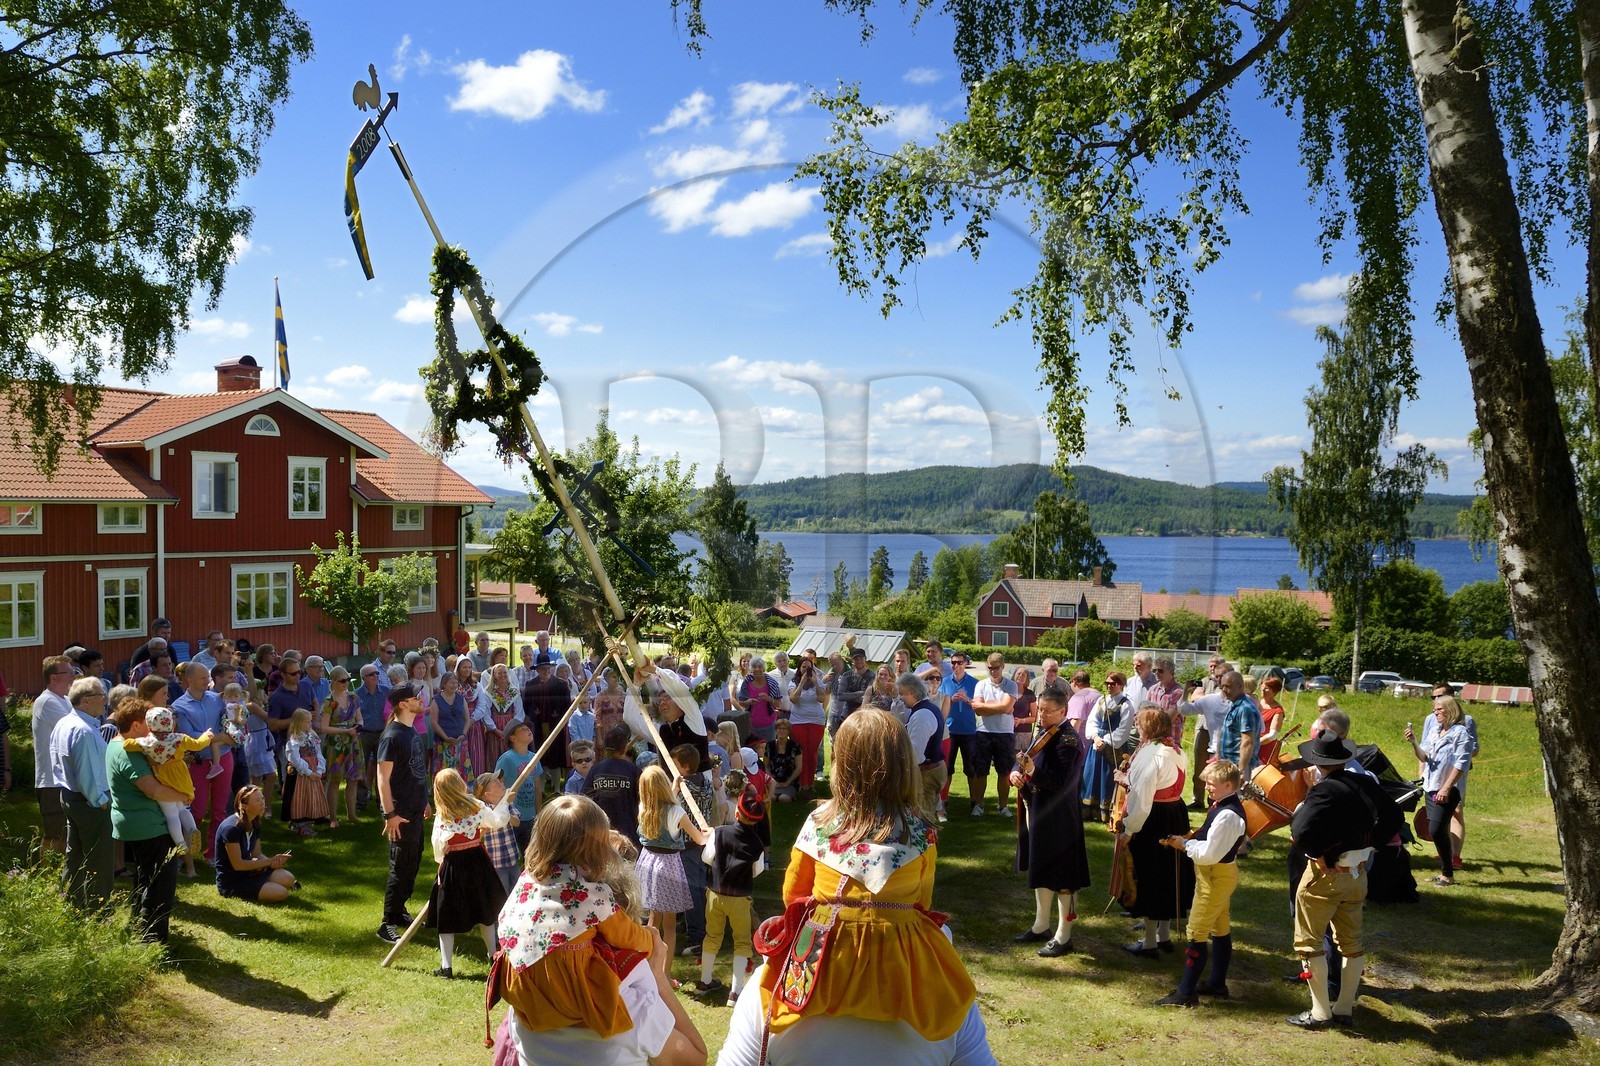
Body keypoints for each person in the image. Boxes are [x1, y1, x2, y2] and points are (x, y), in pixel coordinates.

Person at [748, 708, 985, 1060]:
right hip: (898, 958)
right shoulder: (921, 831)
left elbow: (793, 894)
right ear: (904, 763)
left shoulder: (819, 822)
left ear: (841, 764)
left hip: (825, 958)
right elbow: (920, 901)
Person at [494, 794, 707, 1066]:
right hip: (575, 989)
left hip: (527, 983)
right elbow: (625, 935)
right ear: (597, 851)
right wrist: (652, 946)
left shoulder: (526, 885)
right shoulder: (593, 897)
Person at [1285, 732, 1403, 1030]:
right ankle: (1344, 1007)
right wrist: (1369, 847)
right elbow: (1395, 816)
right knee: (1351, 943)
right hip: (1357, 874)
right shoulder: (1365, 783)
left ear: (1318, 763)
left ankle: (1320, 1011)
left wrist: (1322, 853)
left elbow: (1300, 830)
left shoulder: (1324, 791)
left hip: (1324, 876)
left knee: (1309, 943)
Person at [1157, 760, 1247, 1007]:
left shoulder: (1228, 815)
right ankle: (1217, 983)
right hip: (1215, 875)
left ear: (1228, 785)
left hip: (1216, 876)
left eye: (1211, 783)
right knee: (1219, 926)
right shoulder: (1222, 806)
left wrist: (1184, 845)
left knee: (1196, 930)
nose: (1206, 787)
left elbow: (1210, 854)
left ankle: (1185, 993)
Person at [1009, 688, 1089, 958]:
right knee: (1041, 867)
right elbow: (1025, 760)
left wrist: (1031, 771)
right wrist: (1016, 774)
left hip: (1060, 817)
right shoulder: (1044, 732)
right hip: (1039, 809)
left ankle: (1063, 935)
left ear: (1064, 712)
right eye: (1040, 710)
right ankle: (1041, 925)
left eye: (1048, 711)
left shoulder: (1069, 740)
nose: (1041, 715)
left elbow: (1059, 782)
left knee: (1063, 875)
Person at [105, 697, 187, 943]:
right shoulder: (127, 751)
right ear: (137, 725)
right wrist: (184, 795)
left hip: (136, 824)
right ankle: (152, 941)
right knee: (160, 884)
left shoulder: (117, 744)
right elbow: (153, 790)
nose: (155, 728)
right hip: (148, 827)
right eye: (150, 722)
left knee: (145, 877)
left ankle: (137, 927)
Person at [1116, 706, 1192, 957]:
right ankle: (1164, 936)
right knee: (1169, 874)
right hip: (1175, 814)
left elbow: (1142, 798)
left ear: (1147, 727)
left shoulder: (1151, 755)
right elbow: (1158, 785)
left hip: (1155, 819)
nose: (1136, 727)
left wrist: (1130, 829)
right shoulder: (1175, 750)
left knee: (1150, 875)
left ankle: (1149, 943)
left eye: (1138, 723)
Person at [426, 767, 511, 978]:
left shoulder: (443, 815)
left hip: (453, 865)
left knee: (448, 914)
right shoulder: (476, 806)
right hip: (476, 861)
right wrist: (505, 803)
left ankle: (447, 966)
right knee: (485, 910)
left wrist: (441, 863)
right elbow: (497, 821)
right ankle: (493, 955)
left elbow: (438, 846)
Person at [695, 783, 768, 1002]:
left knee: (713, 936)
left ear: (737, 811)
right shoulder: (757, 845)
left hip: (715, 895)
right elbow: (757, 871)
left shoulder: (719, 833)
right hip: (740, 899)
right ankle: (735, 992)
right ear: (758, 820)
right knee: (742, 942)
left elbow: (706, 858)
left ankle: (705, 981)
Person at [636, 763, 711, 964]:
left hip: (647, 863)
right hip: (668, 866)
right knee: (669, 925)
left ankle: (651, 967)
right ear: (663, 785)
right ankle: (665, 974)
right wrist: (711, 833)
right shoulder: (677, 812)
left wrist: (674, 789)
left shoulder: (644, 807)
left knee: (653, 920)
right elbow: (699, 839)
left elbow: (660, 805)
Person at [126, 705, 212, 875]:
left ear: (150, 725)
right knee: (182, 808)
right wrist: (207, 736)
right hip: (180, 777)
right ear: (171, 723)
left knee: (170, 814)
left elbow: (127, 745)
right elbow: (198, 745)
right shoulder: (180, 739)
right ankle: (192, 828)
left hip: (162, 779)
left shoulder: (147, 742)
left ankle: (180, 844)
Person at [376, 682, 431, 945]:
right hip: (400, 813)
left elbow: (417, 770)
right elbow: (382, 778)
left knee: (413, 860)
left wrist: (426, 800)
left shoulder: (411, 732)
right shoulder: (393, 736)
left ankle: (399, 912)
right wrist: (390, 815)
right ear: (403, 704)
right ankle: (387, 922)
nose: (420, 699)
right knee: (399, 866)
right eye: (415, 697)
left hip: (416, 807)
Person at [51, 676, 113, 908]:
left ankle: (72, 904)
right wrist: (101, 801)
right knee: (100, 858)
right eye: (100, 696)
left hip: (70, 797)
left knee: (75, 853)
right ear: (86, 701)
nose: (105, 700)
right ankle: (98, 911)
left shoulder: (65, 722)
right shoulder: (83, 730)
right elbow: (87, 773)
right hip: (90, 802)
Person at [1406, 694, 1473, 886]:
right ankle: (1446, 872)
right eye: (1434, 709)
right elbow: (1424, 757)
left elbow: (1462, 763)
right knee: (1437, 830)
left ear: (1450, 710)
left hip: (1447, 791)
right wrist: (1414, 742)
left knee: (1436, 830)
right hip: (1431, 786)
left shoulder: (1460, 733)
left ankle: (1448, 873)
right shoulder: (1436, 731)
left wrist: (1446, 787)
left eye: (1439, 709)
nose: (1435, 713)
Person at [214, 785, 297, 903]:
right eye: (257, 800)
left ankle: (264, 885)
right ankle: (264, 886)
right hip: (232, 881)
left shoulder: (255, 822)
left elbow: (257, 854)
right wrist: (269, 862)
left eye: (262, 799)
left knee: (289, 879)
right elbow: (238, 865)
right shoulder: (231, 828)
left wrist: (273, 863)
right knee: (281, 893)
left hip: (250, 872)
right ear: (244, 805)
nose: (262, 803)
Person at [1427, 681, 1478, 869]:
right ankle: (1445, 855)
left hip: (1454, 777)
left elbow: (1470, 751)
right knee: (1438, 823)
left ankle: (1454, 857)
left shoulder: (1465, 723)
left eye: (1439, 697)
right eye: (1434, 698)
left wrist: (1452, 763)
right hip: (1433, 777)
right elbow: (1427, 748)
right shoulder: (1432, 722)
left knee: (1455, 812)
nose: (1436, 702)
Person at [32, 655, 75, 854]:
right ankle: (47, 877)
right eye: (69, 672)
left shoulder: (65, 700)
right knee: (54, 833)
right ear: (54, 678)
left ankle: (60, 875)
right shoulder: (46, 701)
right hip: (50, 780)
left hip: (63, 778)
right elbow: (74, 727)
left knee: (65, 833)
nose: (74, 676)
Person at [970, 652, 1018, 818]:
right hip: (983, 732)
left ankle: (1003, 806)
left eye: (996, 668)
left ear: (1002, 666)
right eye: (990, 668)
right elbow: (977, 709)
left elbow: (1005, 708)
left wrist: (987, 706)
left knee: (1004, 772)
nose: (993, 671)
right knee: (980, 771)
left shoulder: (1011, 685)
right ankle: (978, 805)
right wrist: (1001, 707)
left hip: (1004, 733)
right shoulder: (981, 685)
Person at [1081, 672, 1130, 823]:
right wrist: (1095, 738)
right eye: (1106, 683)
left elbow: (1124, 729)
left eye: (1112, 684)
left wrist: (1106, 741)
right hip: (1097, 744)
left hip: (1114, 748)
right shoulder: (1101, 700)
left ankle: (1106, 812)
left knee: (1107, 777)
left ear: (1121, 685)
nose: (1109, 686)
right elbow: (1092, 721)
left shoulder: (1126, 704)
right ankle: (1087, 811)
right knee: (1091, 775)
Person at [897, 673, 947, 821]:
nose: (900, 697)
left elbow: (917, 755)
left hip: (927, 774)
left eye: (902, 694)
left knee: (923, 821)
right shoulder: (928, 708)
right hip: (931, 770)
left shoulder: (922, 715)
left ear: (912, 692)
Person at [522, 652, 573, 796]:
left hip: (555, 726)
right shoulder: (530, 685)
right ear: (537, 670)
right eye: (543, 669)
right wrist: (534, 716)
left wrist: (559, 717)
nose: (546, 671)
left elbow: (567, 705)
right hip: (537, 726)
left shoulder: (561, 685)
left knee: (556, 755)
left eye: (548, 668)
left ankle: (557, 788)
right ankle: (542, 788)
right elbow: (526, 706)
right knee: (540, 755)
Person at [319, 666, 363, 826]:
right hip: (335, 745)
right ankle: (332, 817)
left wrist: (357, 728)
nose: (346, 683)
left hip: (352, 742)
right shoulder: (329, 702)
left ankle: (352, 814)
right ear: (334, 681)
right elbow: (324, 727)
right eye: (342, 680)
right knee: (335, 780)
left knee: (353, 779)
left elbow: (360, 719)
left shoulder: (353, 697)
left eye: (348, 680)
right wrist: (344, 730)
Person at [939, 653, 980, 817]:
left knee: (971, 768)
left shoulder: (974, 683)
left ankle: (974, 800)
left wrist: (968, 700)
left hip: (969, 731)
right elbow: (940, 702)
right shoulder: (945, 682)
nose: (956, 666)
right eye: (953, 663)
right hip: (950, 731)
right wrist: (951, 700)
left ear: (966, 664)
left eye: (959, 663)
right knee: (947, 768)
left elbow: (979, 706)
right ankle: (944, 800)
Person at [586, 724, 643, 842]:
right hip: (628, 833)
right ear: (625, 747)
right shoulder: (634, 770)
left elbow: (585, 797)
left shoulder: (596, 769)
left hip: (601, 832)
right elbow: (643, 799)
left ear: (606, 746)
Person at [497, 720, 543, 852]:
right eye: (523, 729)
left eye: (528, 728)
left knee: (530, 853)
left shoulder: (534, 757)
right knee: (510, 854)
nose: (529, 730)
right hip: (512, 816)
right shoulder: (507, 759)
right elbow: (497, 784)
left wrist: (538, 812)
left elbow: (537, 787)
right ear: (513, 738)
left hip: (530, 815)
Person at [284, 708, 332, 835]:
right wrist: (308, 772)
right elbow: (294, 758)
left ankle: (314, 817)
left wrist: (320, 770)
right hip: (302, 774)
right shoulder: (295, 739)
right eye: (306, 722)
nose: (309, 724)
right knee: (300, 797)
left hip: (314, 772)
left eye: (310, 721)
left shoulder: (312, 736)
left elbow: (318, 753)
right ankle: (300, 823)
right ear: (298, 723)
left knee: (312, 796)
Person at [785, 656, 827, 792]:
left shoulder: (819, 682)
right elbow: (794, 699)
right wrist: (802, 683)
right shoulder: (793, 683)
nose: (806, 670)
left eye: (809, 667)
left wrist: (815, 682)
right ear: (799, 668)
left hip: (816, 722)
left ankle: (810, 783)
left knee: (812, 753)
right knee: (802, 753)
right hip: (798, 722)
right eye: (803, 667)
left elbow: (821, 698)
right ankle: (802, 784)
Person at [735, 657, 783, 743]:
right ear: (750, 669)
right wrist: (748, 702)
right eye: (754, 666)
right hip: (750, 725)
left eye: (760, 666)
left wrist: (769, 699)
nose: (757, 669)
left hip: (769, 725)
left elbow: (779, 704)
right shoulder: (747, 682)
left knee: (768, 751)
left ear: (764, 668)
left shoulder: (772, 683)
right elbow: (741, 702)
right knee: (752, 752)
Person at [767, 718, 803, 802]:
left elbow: (799, 768)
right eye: (779, 728)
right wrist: (772, 781)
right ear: (776, 730)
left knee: (783, 798)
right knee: (772, 798)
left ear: (788, 731)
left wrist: (787, 782)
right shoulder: (770, 745)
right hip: (773, 782)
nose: (781, 731)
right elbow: (765, 765)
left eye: (784, 729)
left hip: (789, 782)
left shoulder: (795, 746)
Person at [1257, 675, 1286, 767]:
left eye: (1266, 688)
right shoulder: (1256, 702)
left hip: (1265, 748)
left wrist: (1255, 743)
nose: (1262, 690)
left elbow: (1273, 735)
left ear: (1274, 691)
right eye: (1262, 687)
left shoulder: (1277, 711)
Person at [1064, 668, 1098, 742]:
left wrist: (1068, 743)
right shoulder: (1098, 695)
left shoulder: (1079, 698)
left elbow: (1075, 723)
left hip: (1081, 745)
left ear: (1074, 682)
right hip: (1095, 743)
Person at [1011, 667, 1036, 755]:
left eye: (1024, 675)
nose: (1021, 676)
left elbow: (1035, 717)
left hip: (1024, 735)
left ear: (1027, 679)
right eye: (1019, 673)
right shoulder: (1007, 691)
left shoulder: (1030, 694)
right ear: (1014, 675)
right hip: (1008, 731)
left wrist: (1021, 721)